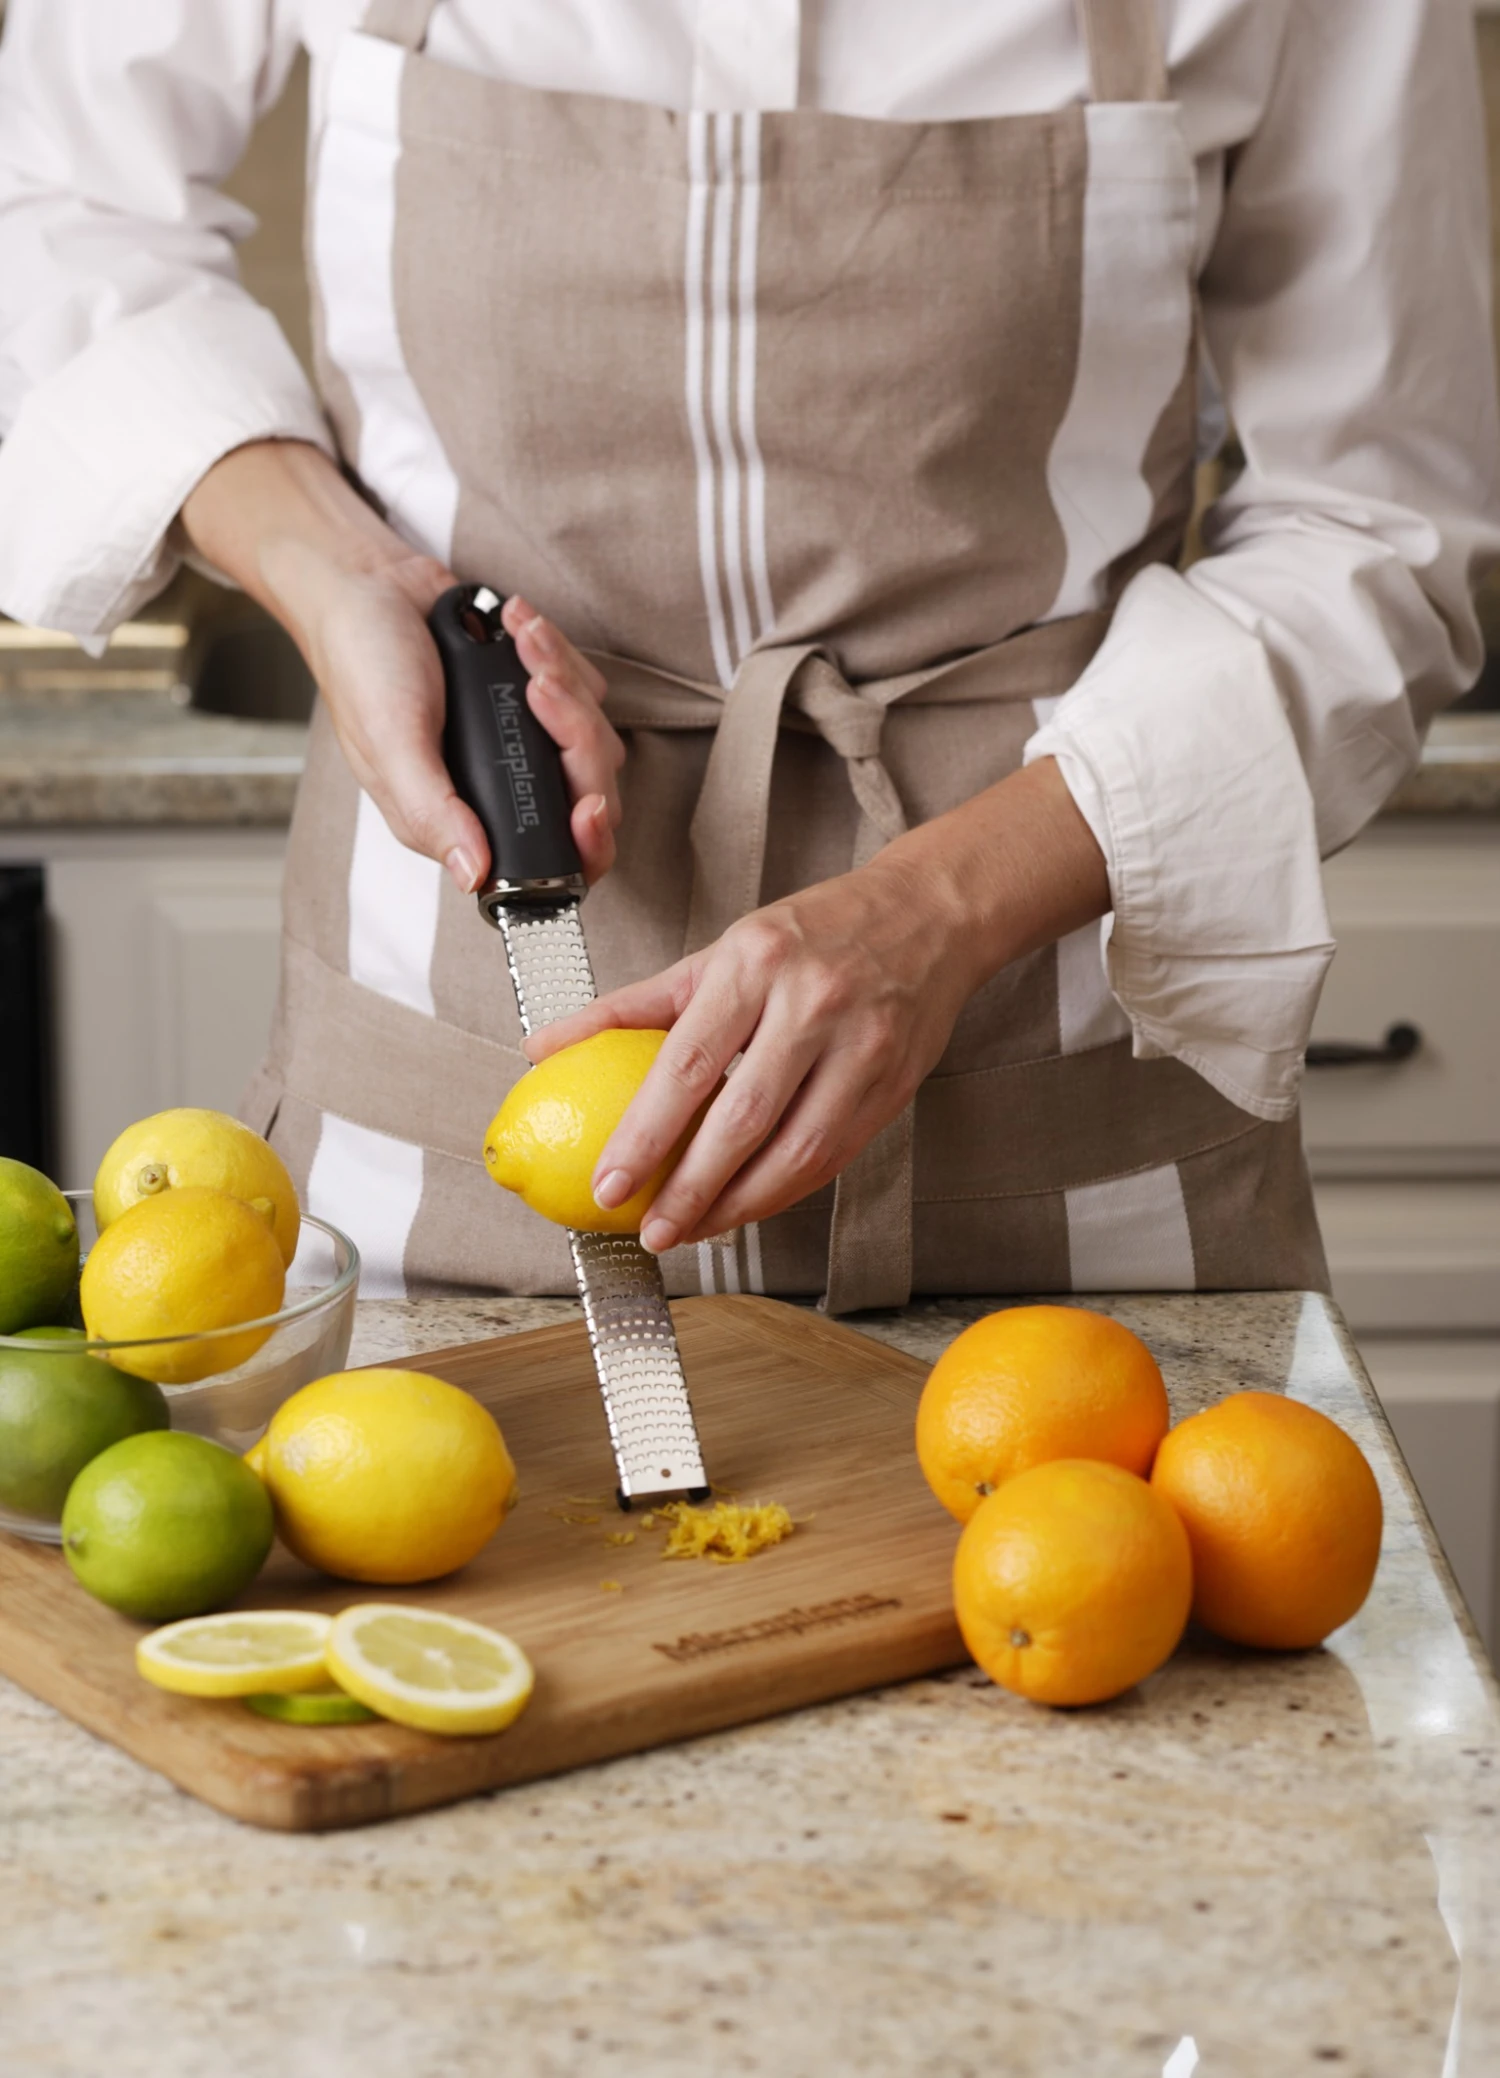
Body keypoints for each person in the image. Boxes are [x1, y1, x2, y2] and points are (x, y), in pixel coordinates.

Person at [0, 1, 1496, 1307]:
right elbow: (59, 195)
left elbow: (1386, 522)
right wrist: (338, 568)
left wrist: (942, 908)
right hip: (429, 1156)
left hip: (1077, 1181)